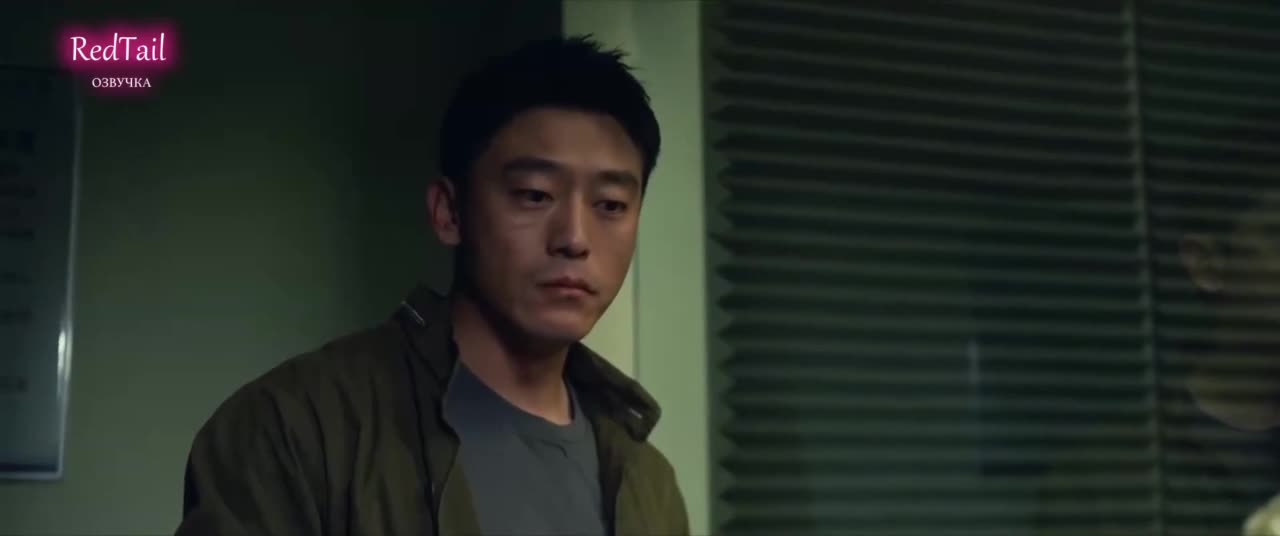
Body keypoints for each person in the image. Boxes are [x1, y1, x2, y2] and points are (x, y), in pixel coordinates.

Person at [174, 35, 689, 536]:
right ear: (449, 212)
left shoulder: (647, 481)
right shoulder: (296, 426)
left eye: (611, 205)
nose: (575, 238)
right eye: (535, 195)